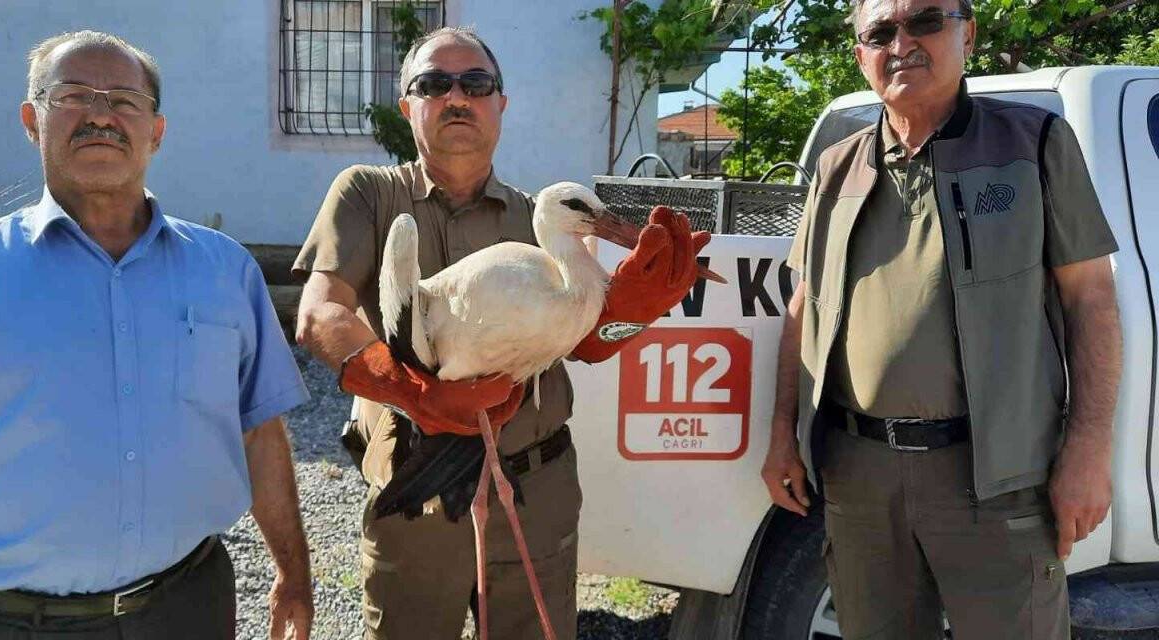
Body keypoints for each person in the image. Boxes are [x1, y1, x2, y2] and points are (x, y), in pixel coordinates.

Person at [0, 31, 314, 640]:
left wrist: (294, 574)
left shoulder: (224, 271)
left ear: (156, 132)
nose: (102, 115)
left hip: (185, 610)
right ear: (32, 121)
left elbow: (259, 431)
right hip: (12, 623)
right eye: (74, 95)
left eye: (125, 101)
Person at [293, 26, 704, 640]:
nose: (457, 96)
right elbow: (320, 314)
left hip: (535, 486)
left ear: (500, 104)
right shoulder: (368, 195)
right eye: (433, 84)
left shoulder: (543, 215)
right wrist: (413, 394)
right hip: (417, 475)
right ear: (408, 106)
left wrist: (636, 309)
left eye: (476, 83)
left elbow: (589, 342)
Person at [760, 1, 1122, 638]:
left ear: (968, 33)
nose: (902, 44)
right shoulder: (836, 166)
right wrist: (780, 435)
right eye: (880, 33)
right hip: (860, 479)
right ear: (861, 55)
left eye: (925, 21)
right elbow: (803, 308)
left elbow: (1090, 300)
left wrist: (1089, 452)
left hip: (997, 477)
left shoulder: (1033, 145)